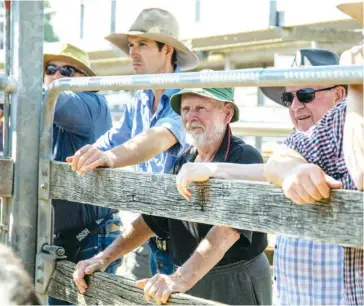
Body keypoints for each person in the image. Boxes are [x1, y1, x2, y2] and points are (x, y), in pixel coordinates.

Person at [175, 49, 351, 305]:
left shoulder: (349, 143)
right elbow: (274, 166)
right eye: (288, 98)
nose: (295, 106)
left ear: (339, 95)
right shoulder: (301, 144)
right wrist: (213, 169)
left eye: (305, 95)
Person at [73, 87, 272, 305]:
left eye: (200, 108)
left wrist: (180, 278)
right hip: (189, 275)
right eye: (185, 109)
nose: (190, 117)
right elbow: (154, 220)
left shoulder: (244, 156)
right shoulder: (184, 159)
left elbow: (227, 231)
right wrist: (104, 257)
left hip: (234, 279)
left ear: (227, 113)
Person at [67, 8, 198, 279]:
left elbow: (158, 138)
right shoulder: (141, 97)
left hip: (187, 237)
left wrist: (109, 157)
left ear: (167, 50)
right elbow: (116, 136)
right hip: (153, 226)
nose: (133, 52)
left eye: (143, 44)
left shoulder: (187, 95)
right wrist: (88, 153)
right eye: (131, 45)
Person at [44, 42, 121, 305]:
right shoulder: (42, 115)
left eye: (66, 71)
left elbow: (59, 102)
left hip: (90, 239)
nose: (55, 76)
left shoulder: (91, 103)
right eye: (50, 69)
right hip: (58, 240)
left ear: (86, 80)